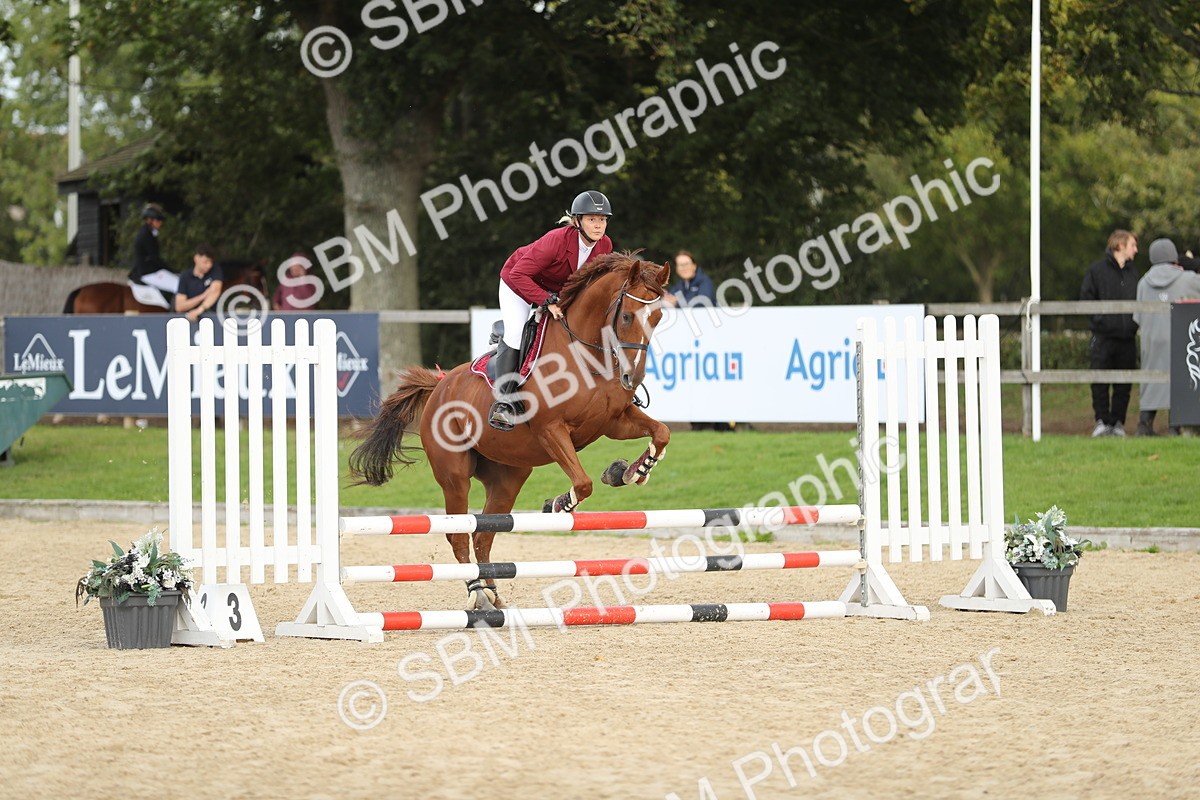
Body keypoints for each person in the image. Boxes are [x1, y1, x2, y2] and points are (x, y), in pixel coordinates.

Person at [489, 190, 614, 430]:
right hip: (518, 283)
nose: (598, 225)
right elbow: (519, 274)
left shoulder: (605, 245)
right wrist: (547, 301)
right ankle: (504, 402)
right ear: (577, 221)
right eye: (591, 219)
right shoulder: (556, 240)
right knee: (516, 333)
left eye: (602, 219)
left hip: (556, 291)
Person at [1132, 238, 1200, 435]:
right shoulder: (1187, 279)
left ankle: (1144, 424)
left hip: (1151, 340)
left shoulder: (1143, 282)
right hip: (1178, 337)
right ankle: (1174, 426)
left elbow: (1137, 317)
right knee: (1178, 377)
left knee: (1150, 380)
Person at [1080, 229, 1140, 437]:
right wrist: (1101, 322)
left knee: (1124, 384)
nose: (1136, 250)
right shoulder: (1096, 271)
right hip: (1103, 337)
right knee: (1100, 381)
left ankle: (1117, 423)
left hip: (1127, 338)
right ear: (1120, 245)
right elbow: (1086, 300)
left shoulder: (1133, 273)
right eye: (1132, 245)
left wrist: (1133, 324)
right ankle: (1102, 422)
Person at [129, 204, 179, 295]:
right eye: (158, 220)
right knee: (178, 285)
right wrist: (171, 270)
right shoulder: (146, 235)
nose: (160, 223)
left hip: (150, 270)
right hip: (147, 273)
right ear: (149, 220)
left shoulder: (149, 233)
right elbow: (155, 258)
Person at [175, 244, 224, 323]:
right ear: (196, 258)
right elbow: (179, 306)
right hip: (189, 321)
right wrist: (203, 296)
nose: (209, 265)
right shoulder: (185, 276)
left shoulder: (215, 271)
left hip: (212, 319)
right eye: (205, 262)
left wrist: (200, 310)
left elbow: (215, 291)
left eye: (211, 262)